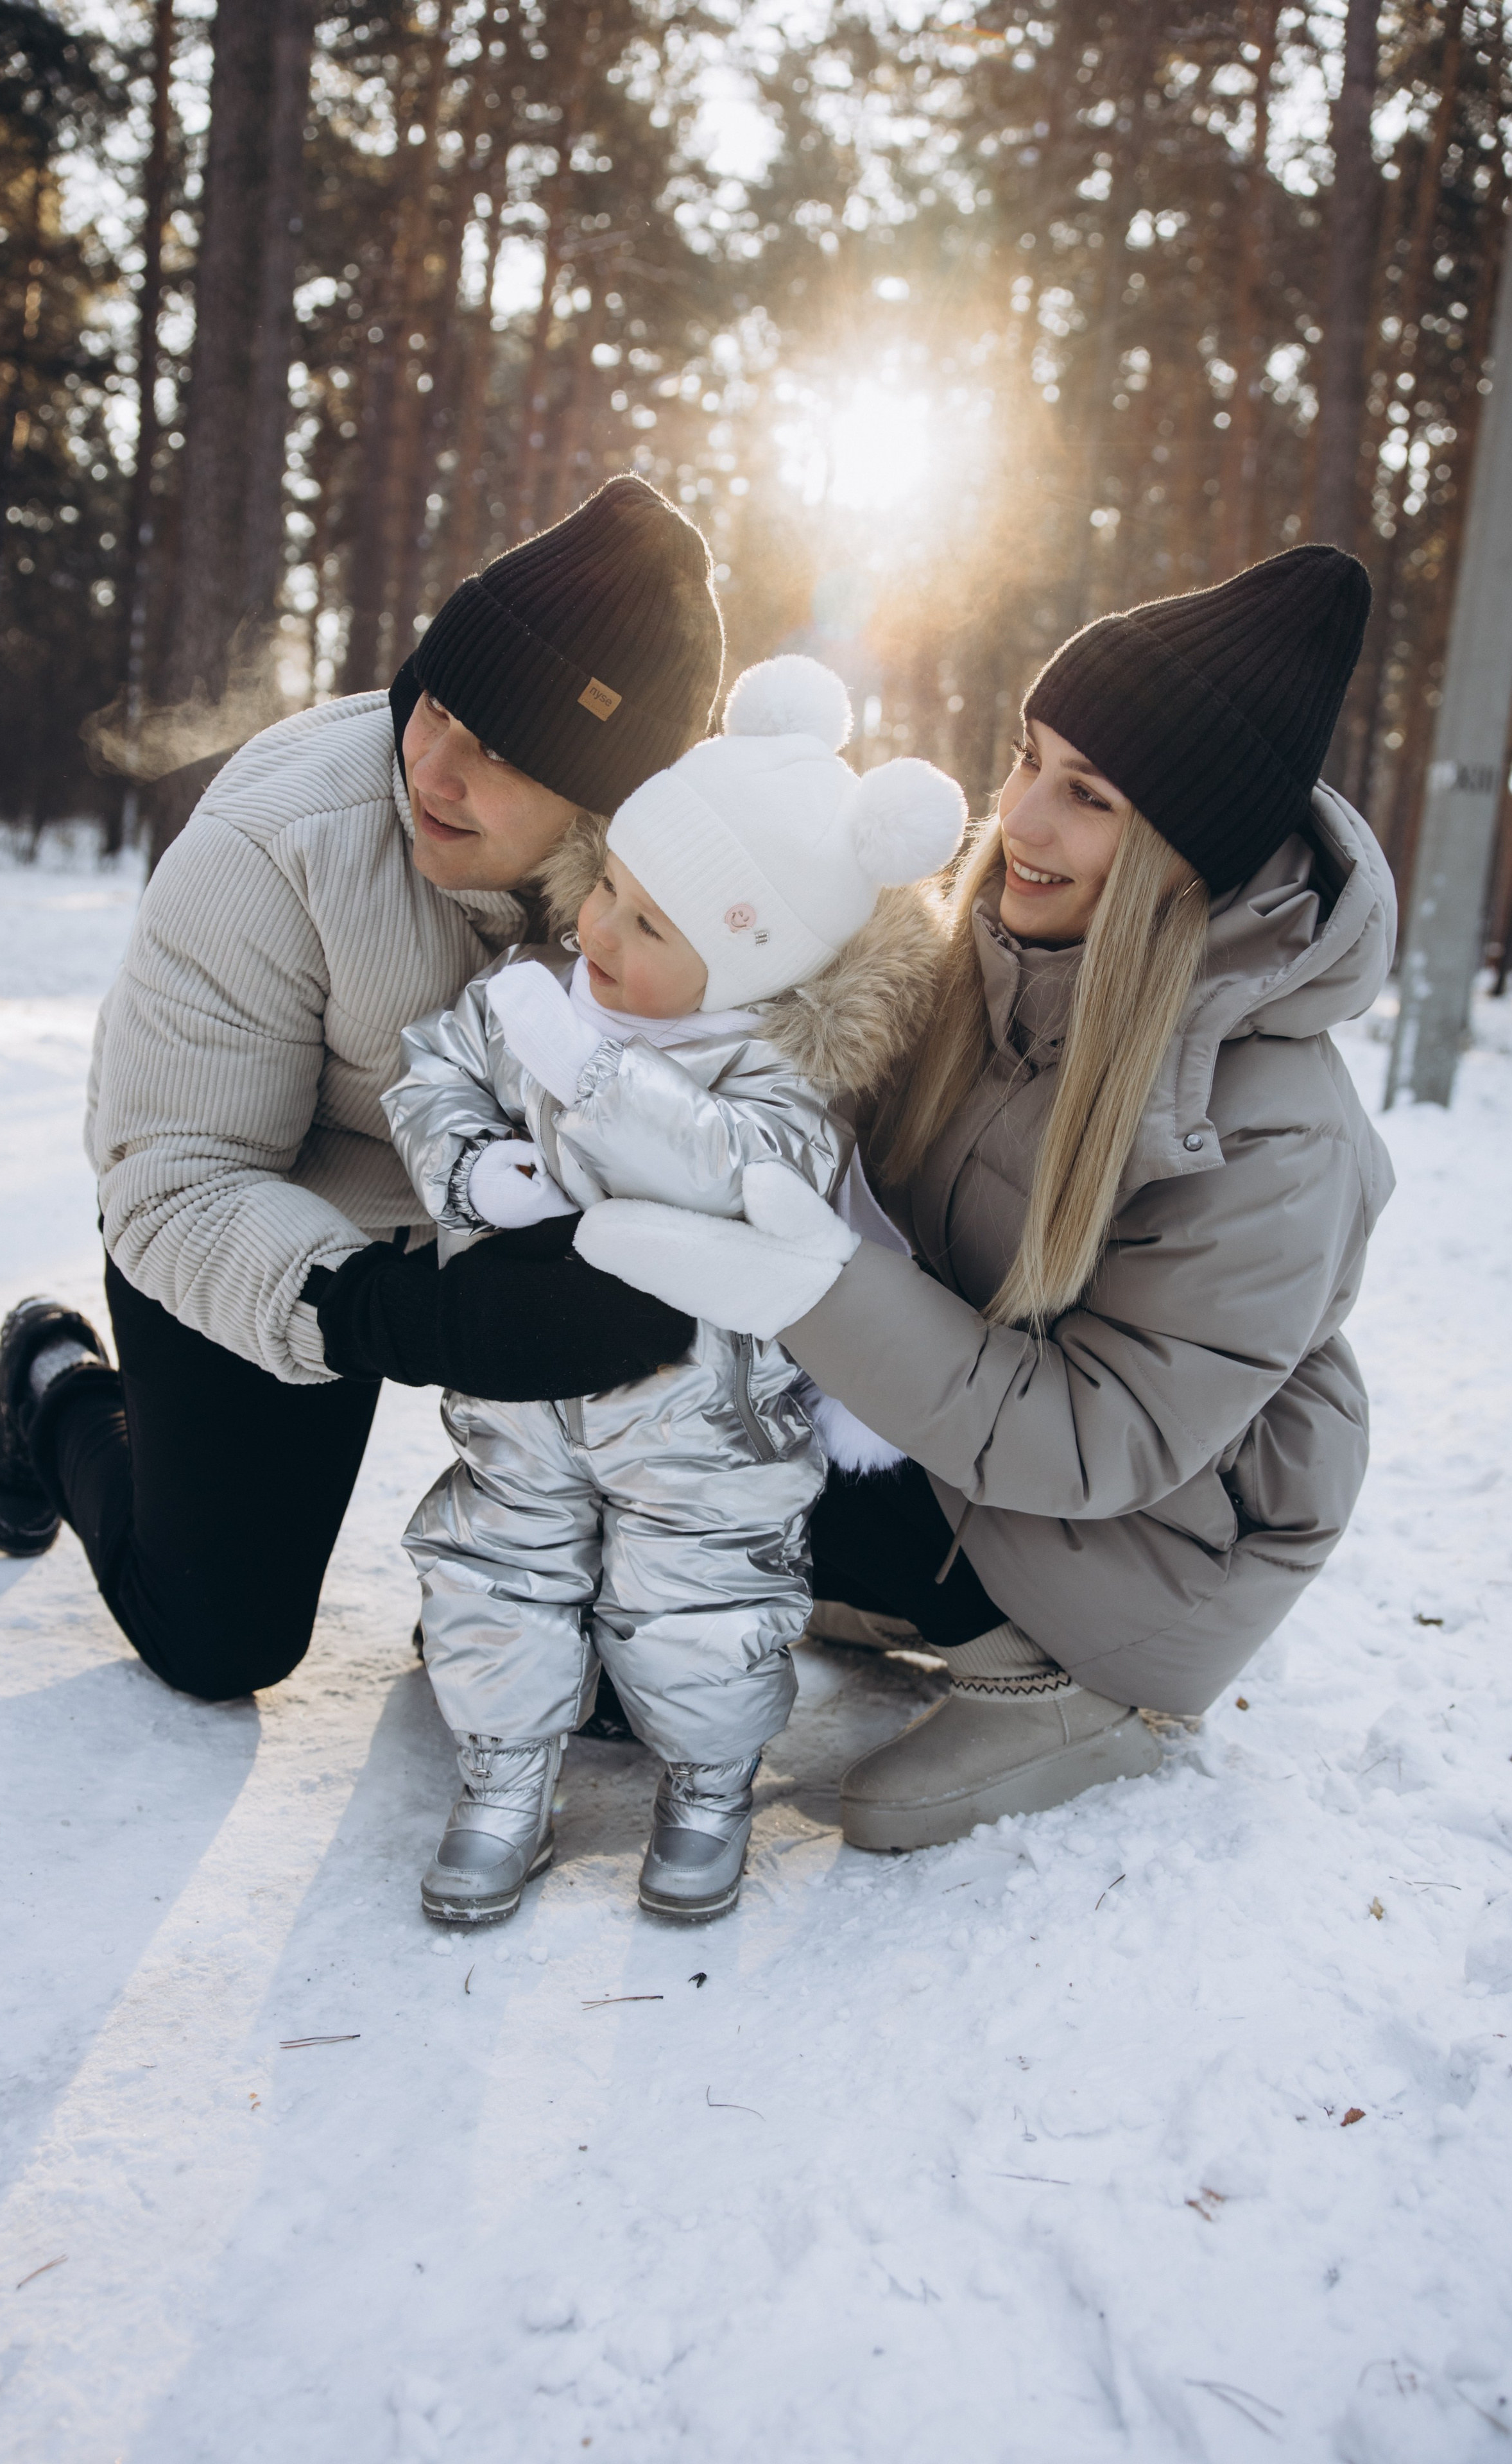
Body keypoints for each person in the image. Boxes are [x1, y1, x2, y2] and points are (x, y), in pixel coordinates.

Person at [576, 544, 1396, 1848]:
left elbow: (1097, 1439)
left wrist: (817, 1288)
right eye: (1024, 758)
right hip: (951, 1455)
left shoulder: (1272, 1133)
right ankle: (863, 1585)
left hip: (1139, 1556)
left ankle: (1069, 1692)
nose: (1016, 818)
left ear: (1187, 851)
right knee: (619, 1550)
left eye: (1087, 796)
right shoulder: (991, 961)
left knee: (869, 1808)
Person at [0, 479, 723, 1702]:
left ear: (612, 804)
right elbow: (171, 1178)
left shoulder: (692, 887)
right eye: (441, 708)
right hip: (272, 1214)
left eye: (505, 753)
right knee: (221, 1638)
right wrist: (399, 1316)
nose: (439, 766)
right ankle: (52, 1384)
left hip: (513, 1214)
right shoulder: (277, 840)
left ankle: (509, 1585)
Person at [381, 656, 964, 1923]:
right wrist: (479, 1171)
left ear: (754, 967)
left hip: (706, 1428)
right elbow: (430, 1078)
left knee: (704, 1604)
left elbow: (734, 1171)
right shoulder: (541, 1000)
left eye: (648, 928)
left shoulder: (776, 1077)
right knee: (495, 1571)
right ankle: (500, 1774)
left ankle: (705, 1781)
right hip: (523, 1405)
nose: (595, 933)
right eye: (607, 891)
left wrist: (587, 1083)